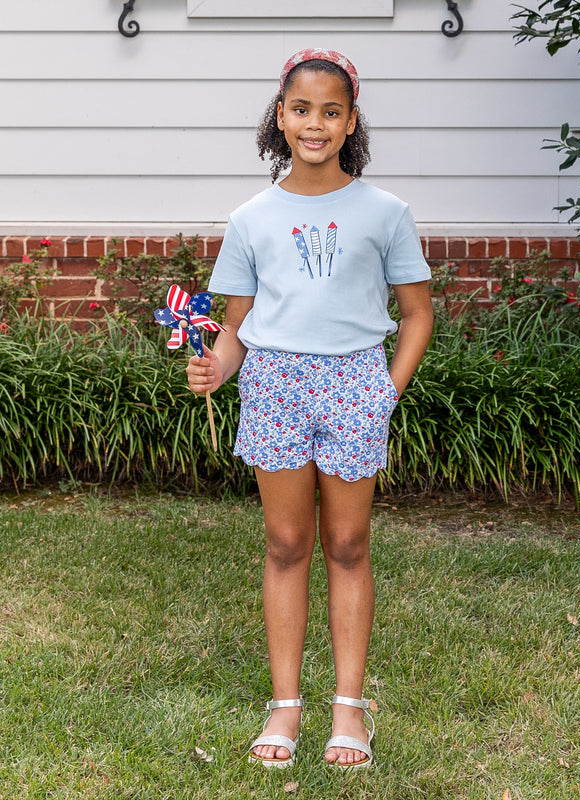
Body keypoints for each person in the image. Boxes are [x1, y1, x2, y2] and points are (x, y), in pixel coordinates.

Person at [186, 48, 434, 771]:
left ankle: (349, 709)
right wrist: (215, 365)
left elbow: (416, 314)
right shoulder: (252, 218)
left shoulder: (386, 213)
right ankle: (286, 704)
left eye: (331, 111)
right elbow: (233, 330)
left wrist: (385, 390)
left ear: (350, 120)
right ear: (280, 117)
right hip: (274, 387)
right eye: (301, 109)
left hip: (356, 384)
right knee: (287, 545)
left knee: (349, 546)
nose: (315, 123)